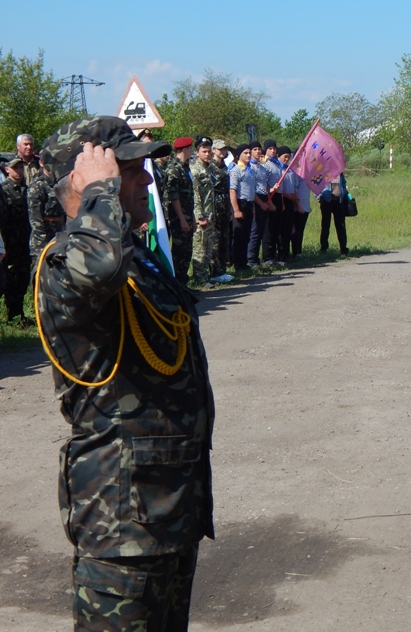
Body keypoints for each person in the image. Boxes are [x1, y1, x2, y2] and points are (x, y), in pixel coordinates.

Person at [36, 116, 214, 631]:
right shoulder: (67, 263)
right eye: (130, 170)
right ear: (86, 178)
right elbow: (98, 269)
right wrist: (99, 191)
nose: (146, 182)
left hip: (170, 510)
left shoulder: (137, 262)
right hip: (120, 523)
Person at [0, 157, 32, 325]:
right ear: (7, 170)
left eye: (21, 167)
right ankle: (12, 316)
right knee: (10, 280)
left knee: (23, 279)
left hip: (24, 242)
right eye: (15, 168)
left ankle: (19, 314)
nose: (19, 171)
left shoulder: (27, 189)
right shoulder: (4, 190)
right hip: (10, 243)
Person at [190, 136, 222, 288]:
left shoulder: (208, 169)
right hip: (201, 217)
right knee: (200, 249)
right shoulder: (195, 170)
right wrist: (199, 217)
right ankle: (200, 280)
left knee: (208, 248)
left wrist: (213, 216)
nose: (207, 154)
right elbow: (196, 195)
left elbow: (211, 196)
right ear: (197, 153)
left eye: (209, 151)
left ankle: (206, 277)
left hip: (210, 215)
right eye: (204, 151)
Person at [165, 137, 196, 285]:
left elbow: (189, 196)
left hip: (188, 215)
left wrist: (192, 218)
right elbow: (174, 197)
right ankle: (177, 285)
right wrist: (182, 219)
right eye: (190, 148)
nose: (192, 151)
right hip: (178, 218)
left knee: (186, 251)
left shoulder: (185, 167)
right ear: (185, 149)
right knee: (178, 252)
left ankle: (184, 283)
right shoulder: (174, 169)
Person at [27, 161, 66, 265]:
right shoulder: (37, 186)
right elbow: (35, 218)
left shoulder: (59, 184)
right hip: (43, 238)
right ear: (41, 163)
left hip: (58, 234)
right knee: (41, 273)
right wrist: (42, 244)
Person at [228, 143, 255, 271]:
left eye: (249, 153)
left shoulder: (250, 170)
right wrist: (236, 209)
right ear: (239, 155)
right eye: (246, 153)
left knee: (246, 235)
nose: (249, 155)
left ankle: (244, 262)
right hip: (240, 203)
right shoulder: (236, 170)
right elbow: (232, 190)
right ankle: (237, 263)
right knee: (238, 236)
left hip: (249, 204)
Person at [210, 140, 233, 279]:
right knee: (216, 240)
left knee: (225, 238)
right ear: (213, 150)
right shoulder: (210, 167)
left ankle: (222, 270)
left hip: (224, 204)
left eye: (224, 149)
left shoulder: (224, 166)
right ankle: (215, 271)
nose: (222, 152)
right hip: (215, 204)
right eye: (220, 149)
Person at [246, 141, 271, 267]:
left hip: (264, 198)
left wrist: (269, 198)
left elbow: (264, 186)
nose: (257, 151)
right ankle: (251, 259)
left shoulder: (262, 168)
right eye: (255, 149)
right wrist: (260, 203)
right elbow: (251, 188)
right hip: (255, 200)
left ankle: (257, 258)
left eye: (259, 149)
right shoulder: (248, 167)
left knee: (262, 230)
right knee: (254, 231)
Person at [318, 172, 349, 255]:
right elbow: (316, 185)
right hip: (326, 201)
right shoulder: (322, 172)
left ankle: (343, 248)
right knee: (325, 225)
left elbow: (343, 183)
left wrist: (343, 193)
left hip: (339, 202)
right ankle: (324, 248)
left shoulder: (339, 173)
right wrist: (319, 196)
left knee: (341, 225)